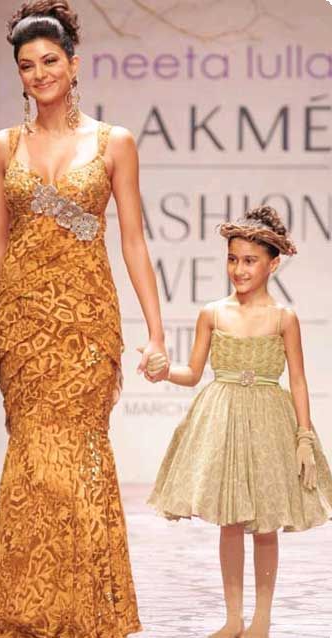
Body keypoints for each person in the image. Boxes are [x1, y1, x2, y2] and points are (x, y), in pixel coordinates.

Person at [0, 1, 169, 636]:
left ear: (74, 64)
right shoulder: (3, 147)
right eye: (27, 65)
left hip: (87, 323)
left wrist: (155, 332)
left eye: (50, 61)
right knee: (34, 458)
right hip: (23, 325)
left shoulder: (114, 142)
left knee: (78, 455)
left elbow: (134, 241)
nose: (39, 74)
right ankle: (25, 610)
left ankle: (87, 611)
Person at [145, 206, 332, 638]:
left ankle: (261, 619)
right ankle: (233, 619)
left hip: (269, 422)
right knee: (230, 521)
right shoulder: (212, 313)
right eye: (232, 259)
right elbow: (193, 373)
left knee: (266, 522)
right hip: (223, 418)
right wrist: (163, 371)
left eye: (250, 260)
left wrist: (304, 436)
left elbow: (298, 380)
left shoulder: (284, 318)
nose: (239, 269)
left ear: (272, 264)